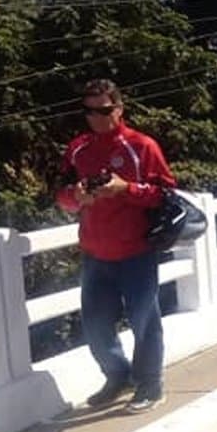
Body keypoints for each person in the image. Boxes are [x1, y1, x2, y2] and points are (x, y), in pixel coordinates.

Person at [55, 79, 177, 413]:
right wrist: (76, 196)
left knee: (144, 322)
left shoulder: (142, 146)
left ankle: (150, 385)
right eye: (89, 111)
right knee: (95, 327)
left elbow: (165, 195)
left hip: (136, 252)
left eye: (104, 110)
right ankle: (118, 375)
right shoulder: (78, 149)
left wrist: (127, 189)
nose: (96, 117)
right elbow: (61, 197)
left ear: (119, 109)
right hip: (95, 254)